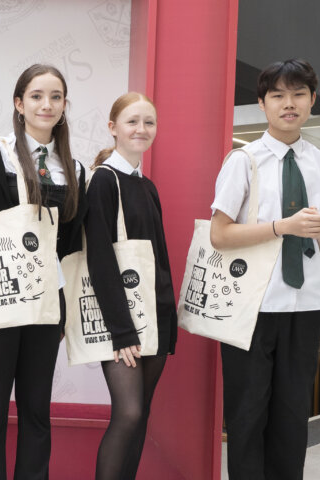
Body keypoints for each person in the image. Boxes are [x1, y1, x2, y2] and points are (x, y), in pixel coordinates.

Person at [209, 59, 320, 479]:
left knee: (292, 414)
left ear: (311, 101)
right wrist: (281, 227)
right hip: (251, 303)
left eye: (298, 95)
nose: (289, 104)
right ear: (261, 104)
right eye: (278, 96)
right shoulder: (244, 160)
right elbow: (220, 234)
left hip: (305, 301)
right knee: (248, 413)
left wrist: (318, 229)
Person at [0, 64, 86, 480]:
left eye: (56, 97)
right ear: (19, 103)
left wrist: (63, 306)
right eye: (38, 96)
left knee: (36, 411)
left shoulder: (73, 168)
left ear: (64, 107)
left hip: (45, 305)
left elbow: (67, 247)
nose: (47, 104)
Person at [85, 92, 177, 479]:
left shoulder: (147, 186)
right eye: (132, 121)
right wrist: (121, 331)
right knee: (129, 413)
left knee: (142, 417)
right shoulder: (103, 181)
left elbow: (159, 258)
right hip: (121, 323)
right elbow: (99, 260)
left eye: (149, 122)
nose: (142, 129)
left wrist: (168, 320)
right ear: (113, 128)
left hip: (154, 315)